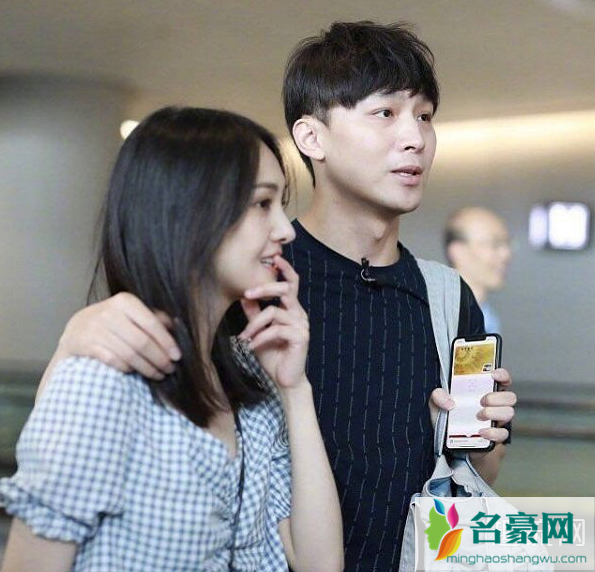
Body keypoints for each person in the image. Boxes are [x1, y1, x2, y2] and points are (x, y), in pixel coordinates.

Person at [31, 22, 516, 571]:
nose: (416, 138)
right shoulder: (250, 278)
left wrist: (480, 441)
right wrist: (75, 341)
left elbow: (475, 480)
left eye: (425, 116)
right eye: (385, 113)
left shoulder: (447, 297)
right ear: (311, 138)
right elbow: (83, 443)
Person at [0, 107, 343, 572]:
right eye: (263, 204)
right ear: (191, 212)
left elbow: (320, 564)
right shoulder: (106, 382)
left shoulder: (252, 379)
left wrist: (295, 390)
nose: (285, 230)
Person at [444, 207, 513, 333]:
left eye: (507, 244)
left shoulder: (489, 318)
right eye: (494, 244)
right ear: (458, 251)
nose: (506, 254)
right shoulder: (439, 320)